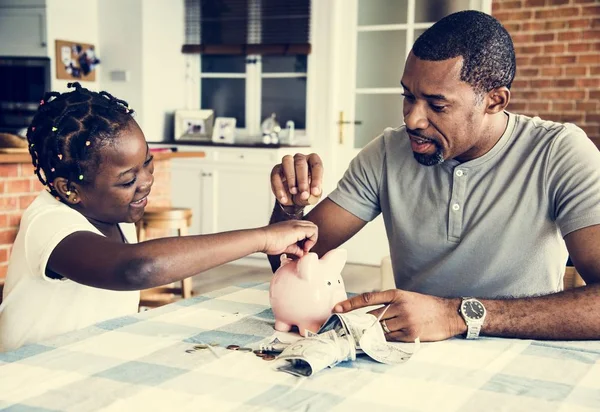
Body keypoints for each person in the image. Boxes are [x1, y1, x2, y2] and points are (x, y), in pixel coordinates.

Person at [268, 10, 600, 342]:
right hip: (410, 355)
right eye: (408, 97)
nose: (413, 119)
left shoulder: (559, 153)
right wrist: (290, 207)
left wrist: (456, 315)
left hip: (521, 354)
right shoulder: (386, 152)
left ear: (495, 101)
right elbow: (290, 262)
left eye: (437, 106)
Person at [0, 83, 318, 352]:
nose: (147, 180)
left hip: (92, 363)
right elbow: (136, 268)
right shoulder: (48, 222)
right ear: (70, 189)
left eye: (148, 163)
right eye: (127, 180)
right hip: (31, 373)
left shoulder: (113, 213)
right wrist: (262, 238)